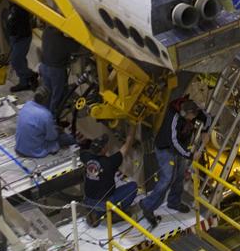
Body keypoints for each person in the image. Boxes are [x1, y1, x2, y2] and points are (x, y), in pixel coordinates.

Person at [140, 97, 211, 227]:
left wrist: (205, 132)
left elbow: (208, 118)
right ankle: (147, 205)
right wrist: (190, 155)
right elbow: (173, 141)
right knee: (167, 179)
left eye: (191, 117)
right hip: (166, 149)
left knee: (179, 175)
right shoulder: (173, 116)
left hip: (181, 148)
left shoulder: (195, 110)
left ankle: (174, 202)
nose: (190, 120)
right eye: (188, 117)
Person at [80, 125, 138, 225]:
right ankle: (115, 214)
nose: (107, 145)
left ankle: (96, 213)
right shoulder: (110, 163)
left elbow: (82, 152)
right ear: (103, 150)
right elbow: (127, 146)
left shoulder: (86, 157)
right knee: (133, 186)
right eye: (106, 145)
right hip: (104, 203)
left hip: (88, 200)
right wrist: (133, 125)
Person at [15, 85, 74, 158]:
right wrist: (58, 131)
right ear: (46, 100)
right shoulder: (46, 115)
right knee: (68, 139)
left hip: (20, 147)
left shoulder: (27, 105)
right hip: (34, 151)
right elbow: (52, 137)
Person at [39, 24, 78, 116]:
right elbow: (77, 46)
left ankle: (44, 114)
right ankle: (52, 117)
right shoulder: (63, 41)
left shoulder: (46, 32)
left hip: (44, 66)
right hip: (55, 71)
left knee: (47, 93)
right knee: (57, 95)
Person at [4, 2, 37, 92]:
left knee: (15, 61)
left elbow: (20, 20)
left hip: (22, 37)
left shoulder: (21, 8)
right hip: (15, 36)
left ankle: (31, 75)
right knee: (20, 60)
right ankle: (24, 83)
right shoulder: (13, 5)